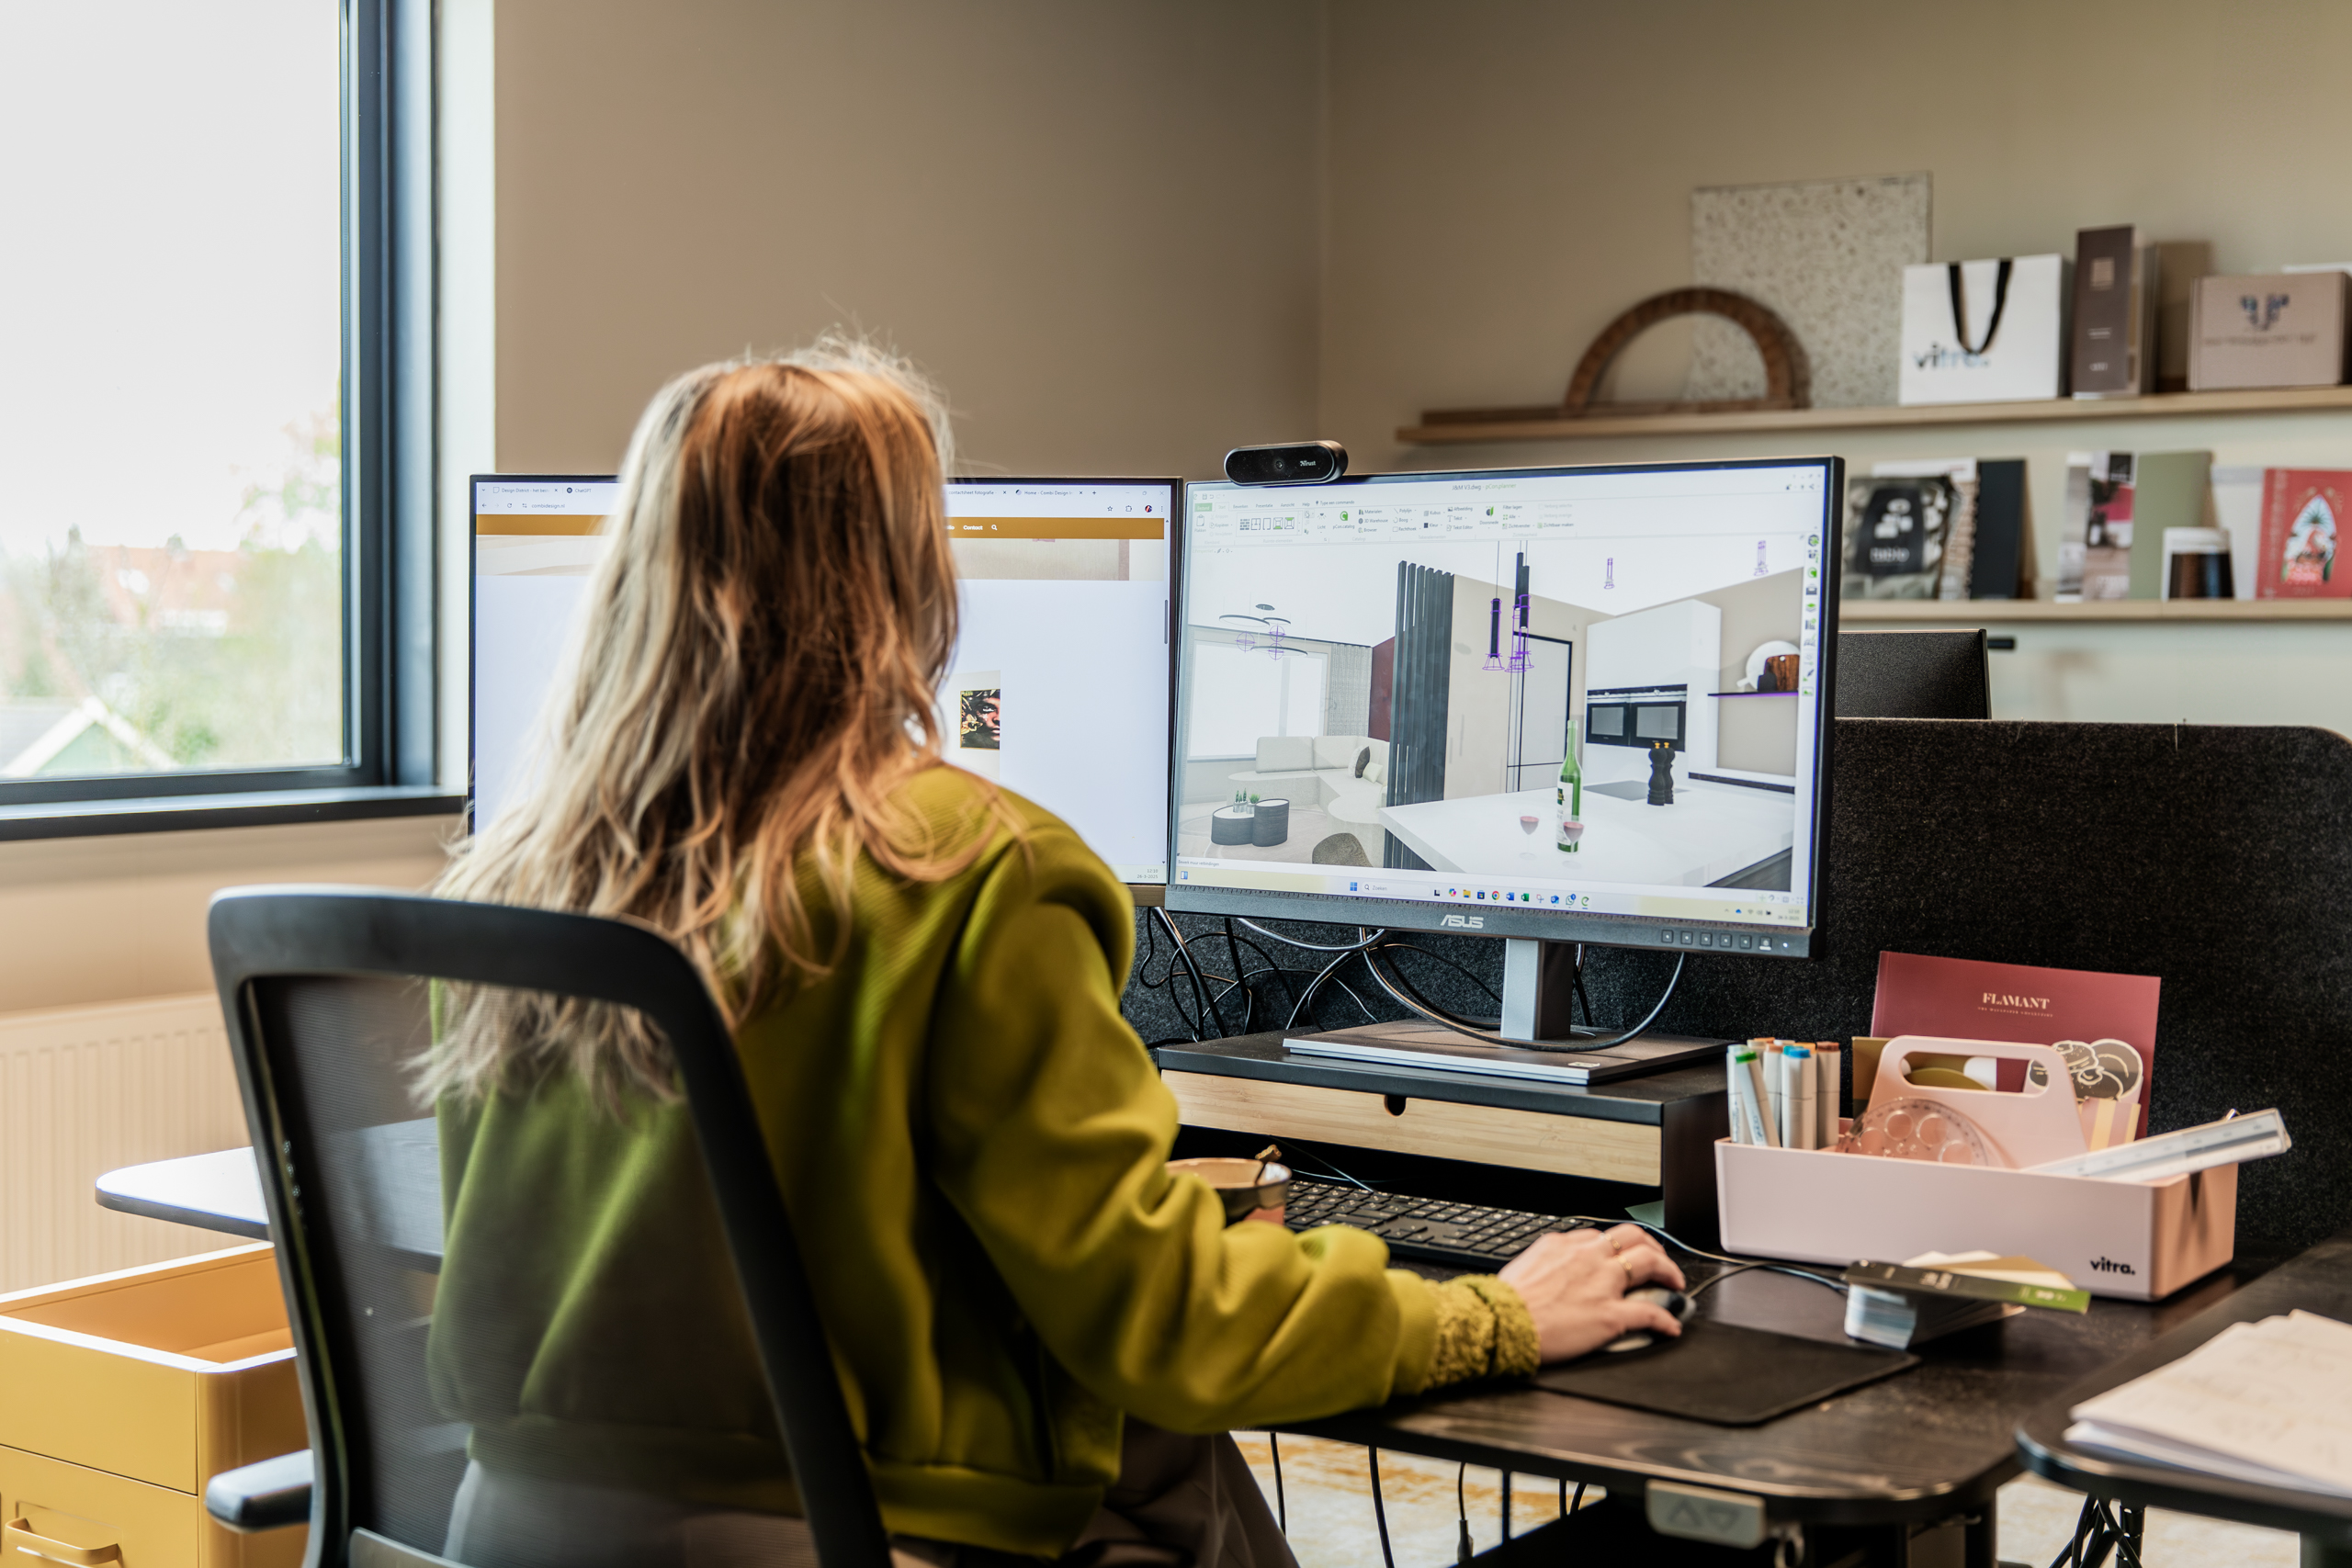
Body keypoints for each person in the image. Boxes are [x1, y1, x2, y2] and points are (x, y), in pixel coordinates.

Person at [425, 342, 1684, 1568]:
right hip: (855, 1530)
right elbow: (1163, 1324)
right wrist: (1490, 1316)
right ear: (909, 581)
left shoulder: (523, 872)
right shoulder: (969, 867)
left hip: (508, 1524)